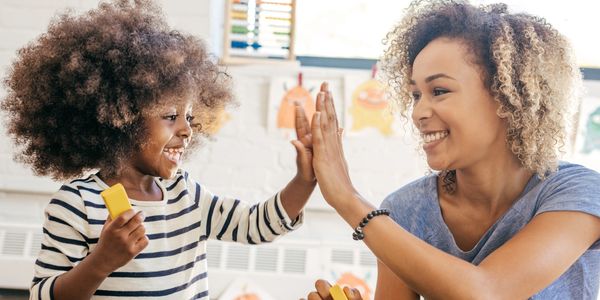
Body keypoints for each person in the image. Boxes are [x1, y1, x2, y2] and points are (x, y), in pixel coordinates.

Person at [0, 1, 316, 299]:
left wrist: (305, 179)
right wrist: (102, 261)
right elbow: (44, 295)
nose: (187, 130)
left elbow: (255, 226)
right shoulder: (77, 204)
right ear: (120, 119)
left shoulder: (186, 194)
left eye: (189, 117)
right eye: (169, 116)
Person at [304, 1, 600, 299]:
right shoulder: (405, 211)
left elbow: (488, 292)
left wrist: (348, 199)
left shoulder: (578, 194)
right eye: (416, 95)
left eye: (439, 91)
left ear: (507, 99)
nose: (418, 111)